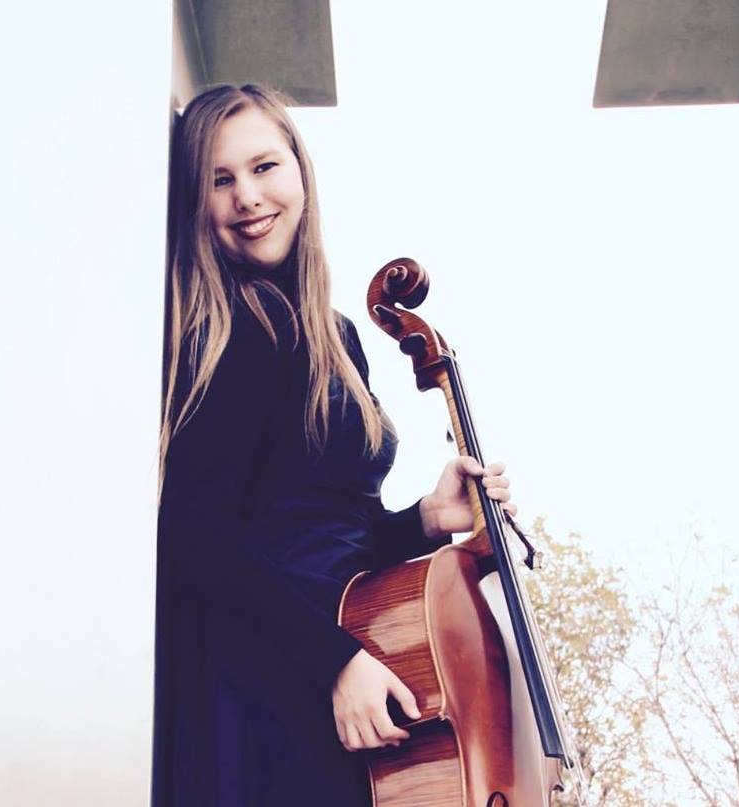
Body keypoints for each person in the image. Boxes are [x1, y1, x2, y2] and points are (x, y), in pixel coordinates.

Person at [152, 83, 516, 807]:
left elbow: (320, 536)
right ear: (196, 202)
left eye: (263, 166)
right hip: (260, 681)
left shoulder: (334, 334)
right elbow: (193, 538)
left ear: (300, 170)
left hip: (332, 664)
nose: (247, 196)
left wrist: (423, 520)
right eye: (220, 180)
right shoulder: (227, 329)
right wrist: (334, 662)